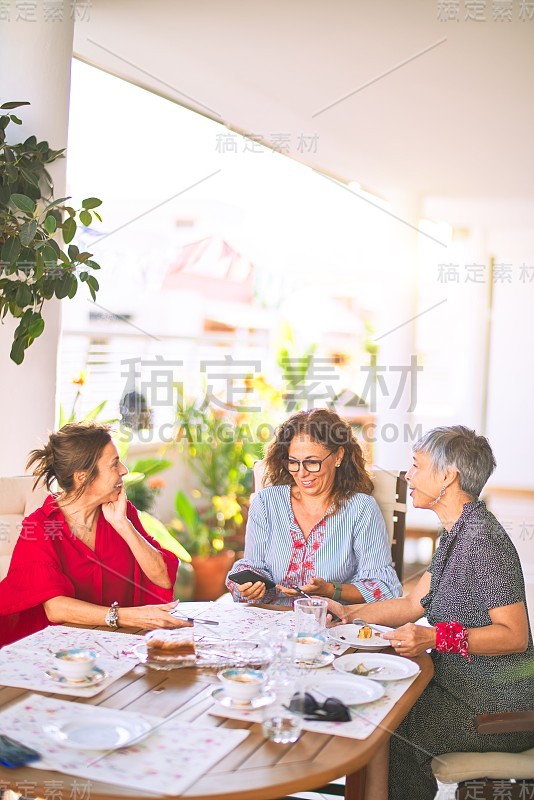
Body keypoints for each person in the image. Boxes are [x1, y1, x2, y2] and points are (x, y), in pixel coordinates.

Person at [326, 426, 534, 800]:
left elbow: (515, 636)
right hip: (459, 688)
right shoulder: (456, 533)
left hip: (497, 705)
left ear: (447, 476)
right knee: (378, 708)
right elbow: (411, 604)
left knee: (393, 731)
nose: (409, 475)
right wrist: (349, 613)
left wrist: (435, 637)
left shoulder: (484, 541)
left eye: (416, 465)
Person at [0, 423, 190, 648]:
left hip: (120, 647)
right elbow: (55, 608)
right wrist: (127, 616)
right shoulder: (39, 528)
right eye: (114, 464)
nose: (124, 470)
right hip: (63, 656)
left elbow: (163, 577)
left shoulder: (121, 512)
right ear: (82, 477)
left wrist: (124, 526)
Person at [226, 408, 402, 606]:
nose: (301, 473)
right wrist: (251, 587)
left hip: (330, 624)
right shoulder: (266, 502)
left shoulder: (361, 509)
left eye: (312, 462)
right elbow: (254, 566)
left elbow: (383, 588)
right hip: (270, 622)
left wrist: (331, 590)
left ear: (338, 456)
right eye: (293, 462)